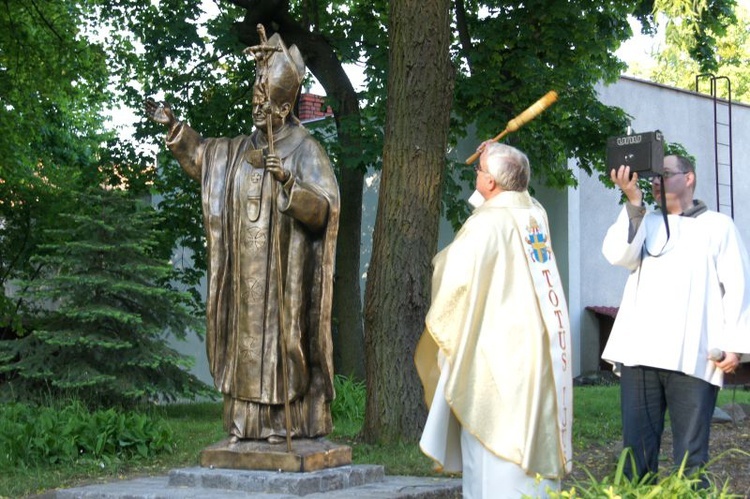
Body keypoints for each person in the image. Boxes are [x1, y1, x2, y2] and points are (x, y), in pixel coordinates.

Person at [144, 33, 340, 444]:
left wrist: (288, 182)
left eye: (266, 101)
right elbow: (203, 158)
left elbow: (323, 209)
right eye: (254, 97)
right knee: (243, 347)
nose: (257, 105)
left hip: (281, 278)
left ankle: (286, 424)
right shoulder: (233, 151)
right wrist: (176, 128)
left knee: (279, 349)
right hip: (242, 278)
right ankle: (245, 426)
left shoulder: (306, 151)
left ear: (286, 108)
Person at [415, 142, 573, 498]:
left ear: (490, 184)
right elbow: (510, 193)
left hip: (498, 355)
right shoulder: (535, 213)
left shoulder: (484, 226)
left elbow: (451, 277)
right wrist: (499, 157)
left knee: (492, 454)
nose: (476, 173)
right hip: (539, 353)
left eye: (479, 171)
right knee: (531, 441)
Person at [602, 156, 750, 485]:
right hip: (640, 355)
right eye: (654, 175)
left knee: (691, 459)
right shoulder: (645, 219)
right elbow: (618, 254)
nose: (656, 181)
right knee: (636, 454)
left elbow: (739, 288)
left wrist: (734, 346)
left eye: (665, 174)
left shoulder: (718, 226)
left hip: (694, 356)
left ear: (689, 178)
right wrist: (633, 202)